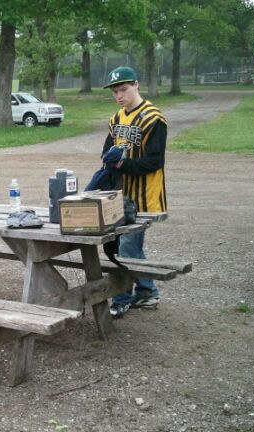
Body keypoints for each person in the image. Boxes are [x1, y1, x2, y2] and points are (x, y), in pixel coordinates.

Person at [100, 66, 168, 318]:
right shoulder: (116, 119)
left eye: (124, 89)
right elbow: (106, 152)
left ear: (136, 85)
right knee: (123, 246)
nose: (119, 95)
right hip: (119, 196)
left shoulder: (154, 118)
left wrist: (122, 164)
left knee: (128, 247)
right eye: (115, 91)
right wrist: (109, 162)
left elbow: (155, 161)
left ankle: (121, 298)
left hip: (144, 197)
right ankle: (147, 292)